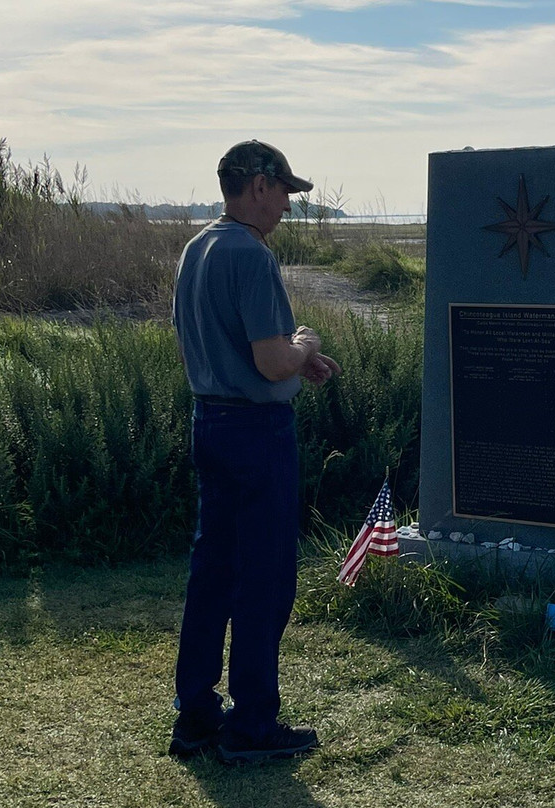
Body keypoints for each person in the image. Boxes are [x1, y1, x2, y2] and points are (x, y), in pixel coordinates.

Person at [169, 140, 341, 763]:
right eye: (286, 194)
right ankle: (252, 725)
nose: (288, 209)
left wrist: (296, 363)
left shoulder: (198, 248)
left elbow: (210, 348)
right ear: (260, 185)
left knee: (212, 569)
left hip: (209, 422)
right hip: (256, 435)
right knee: (264, 577)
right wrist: (303, 345)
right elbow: (271, 361)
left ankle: (195, 715)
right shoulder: (251, 254)